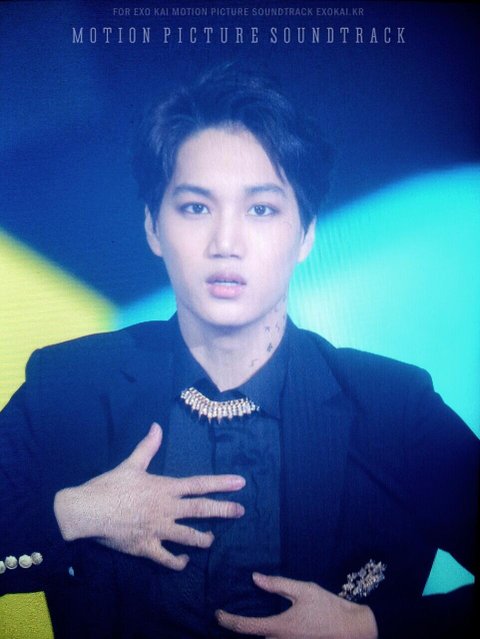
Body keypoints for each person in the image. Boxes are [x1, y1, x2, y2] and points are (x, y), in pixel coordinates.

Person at [0, 65, 478, 639]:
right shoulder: (68, 386)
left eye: (261, 209)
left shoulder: (393, 408)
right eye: (195, 207)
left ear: (306, 235)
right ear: (152, 227)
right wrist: (77, 513)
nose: (226, 243)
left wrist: (371, 627)